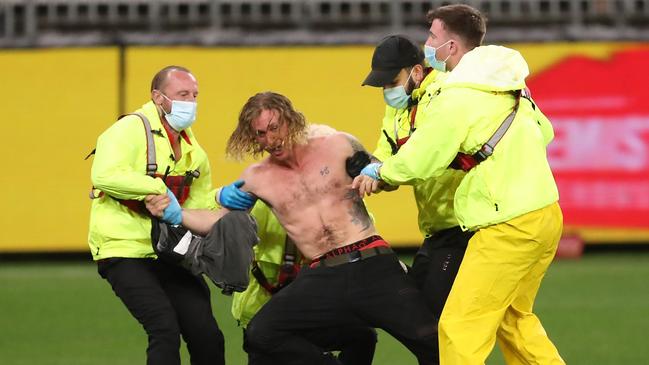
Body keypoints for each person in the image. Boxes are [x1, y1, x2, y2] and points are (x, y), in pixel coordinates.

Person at [146, 92, 439, 365]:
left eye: (275, 127)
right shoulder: (258, 178)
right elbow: (218, 220)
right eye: (261, 133)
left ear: (291, 120)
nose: (271, 138)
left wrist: (378, 176)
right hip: (323, 275)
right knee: (261, 334)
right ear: (252, 138)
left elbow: (385, 177)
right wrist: (176, 213)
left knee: (433, 343)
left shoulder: (337, 144)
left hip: (372, 263)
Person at [354, 4, 564, 365]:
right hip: (544, 212)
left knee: (457, 329)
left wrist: (382, 173)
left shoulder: (456, 95)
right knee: (514, 321)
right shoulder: (508, 83)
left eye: (432, 36)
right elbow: (545, 131)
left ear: (451, 47)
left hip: (506, 223)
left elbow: (424, 156)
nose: (427, 43)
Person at [88, 65, 225, 365]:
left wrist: (229, 208)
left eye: (195, 95)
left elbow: (201, 208)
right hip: (124, 249)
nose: (191, 102)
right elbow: (103, 174)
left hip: (171, 252)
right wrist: (157, 190)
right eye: (182, 94)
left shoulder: (194, 151)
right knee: (164, 328)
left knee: (207, 336)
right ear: (157, 97)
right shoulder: (129, 129)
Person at [362, 34, 473, 318]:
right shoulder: (398, 107)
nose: (388, 90)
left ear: (417, 71)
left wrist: (383, 174)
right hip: (437, 229)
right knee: (416, 312)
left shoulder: (442, 97)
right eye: (383, 85)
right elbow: (386, 151)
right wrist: (371, 171)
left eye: (391, 82)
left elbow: (422, 160)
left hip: (464, 226)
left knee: (434, 319)